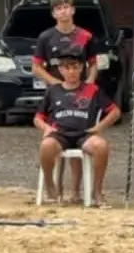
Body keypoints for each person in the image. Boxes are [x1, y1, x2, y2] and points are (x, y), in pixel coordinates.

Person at [33, 45, 120, 206]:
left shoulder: (91, 89)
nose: (71, 72)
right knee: (46, 145)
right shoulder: (53, 91)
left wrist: (99, 128)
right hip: (59, 134)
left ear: (82, 69)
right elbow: (38, 117)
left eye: (75, 67)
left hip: (84, 133)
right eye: (67, 68)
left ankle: (97, 192)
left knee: (101, 146)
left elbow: (115, 111)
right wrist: (46, 128)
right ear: (60, 70)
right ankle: (50, 185)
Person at [33, 0, 97, 200]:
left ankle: (76, 191)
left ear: (73, 10)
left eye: (66, 6)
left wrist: (88, 85)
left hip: (81, 94)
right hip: (57, 95)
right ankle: (56, 188)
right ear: (53, 13)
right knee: (56, 138)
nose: (63, 11)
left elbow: (94, 65)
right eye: (59, 8)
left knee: (78, 136)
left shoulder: (85, 36)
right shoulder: (46, 37)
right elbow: (36, 67)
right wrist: (56, 85)